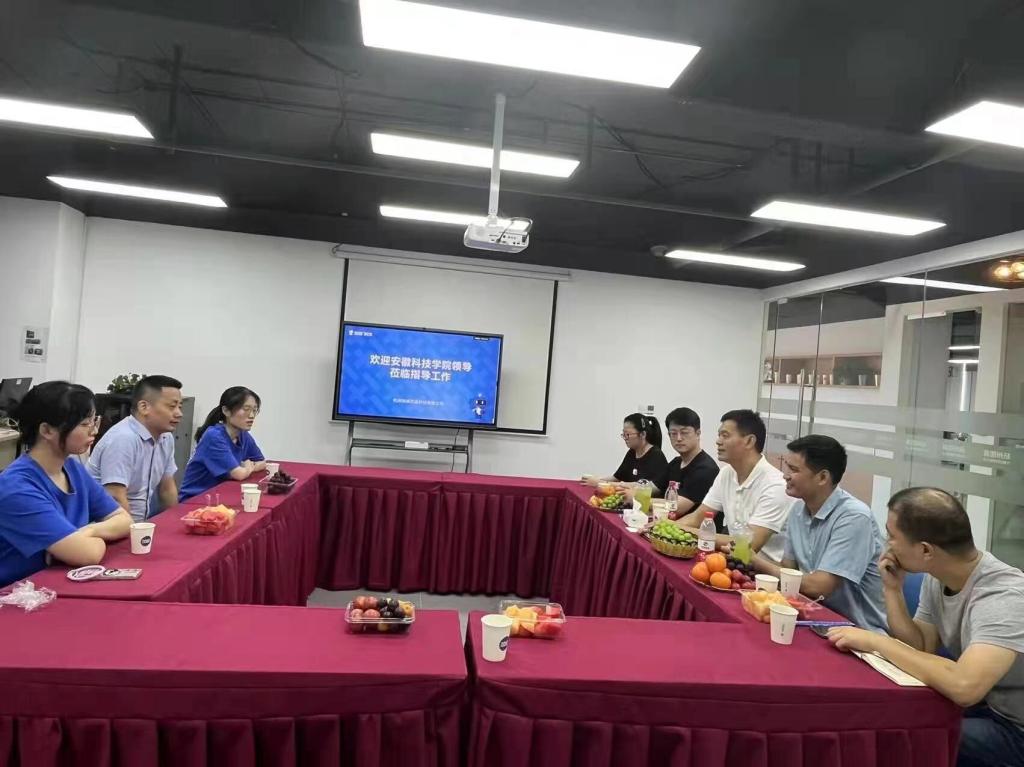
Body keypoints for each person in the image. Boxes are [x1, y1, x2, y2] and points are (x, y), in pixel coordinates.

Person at [829, 488, 1024, 767]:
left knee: (906, 736)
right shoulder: (939, 576)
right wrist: (892, 590)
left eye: (892, 536)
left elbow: (965, 686)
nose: (887, 545)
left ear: (925, 550)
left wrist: (877, 641)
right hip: (987, 707)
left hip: (1015, 728)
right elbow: (920, 646)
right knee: (880, 717)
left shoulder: (1004, 597)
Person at [0, 381, 131, 587]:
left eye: (94, 421)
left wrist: (87, 532)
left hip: (58, 583)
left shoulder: (72, 468)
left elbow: (124, 520)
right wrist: (88, 539)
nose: (93, 431)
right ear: (47, 430)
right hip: (18, 594)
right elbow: (86, 554)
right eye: (84, 424)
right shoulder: (16, 488)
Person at [750, 435, 886, 632]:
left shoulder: (854, 517)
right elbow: (788, 569)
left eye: (794, 470)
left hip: (856, 631)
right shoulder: (798, 510)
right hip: (811, 619)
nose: (785, 476)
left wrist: (756, 561)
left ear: (822, 477)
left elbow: (819, 587)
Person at [672, 409, 792, 561]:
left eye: (725, 435)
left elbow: (747, 545)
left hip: (760, 570)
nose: (718, 441)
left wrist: (682, 529)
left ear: (749, 441)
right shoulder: (727, 473)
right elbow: (697, 518)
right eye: (719, 435)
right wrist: (663, 528)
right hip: (730, 560)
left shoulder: (775, 486)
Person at [87, 375, 183, 522]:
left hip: (142, 525)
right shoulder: (123, 438)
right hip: (108, 526)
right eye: (171, 406)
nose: (179, 413)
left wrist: (174, 524)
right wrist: (134, 532)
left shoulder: (165, 438)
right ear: (144, 407)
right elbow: (116, 497)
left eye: (180, 407)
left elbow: (167, 489)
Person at [179, 386, 266, 502]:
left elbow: (262, 462)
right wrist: (247, 467)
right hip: (195, 499)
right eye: (246, 409)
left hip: (220, 496)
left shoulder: (243, 435)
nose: (251, 415)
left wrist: (248, 467)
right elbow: (239, 474)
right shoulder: (214, 436)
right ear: (226, 411)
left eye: (254, 410)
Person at [582, 413, 669, 491]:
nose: (625, 438)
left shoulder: (656, 456)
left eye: (628, 434)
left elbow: (641, 486)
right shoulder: (632, 452)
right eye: (623, 434)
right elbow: (617, 477)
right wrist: (596, 480)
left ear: (643, 434)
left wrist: (601, 483)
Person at [662, 407, 719, 514]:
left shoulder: (706, 468)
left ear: (698, 433)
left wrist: (640, 499)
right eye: (673, 433)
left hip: (696, 524)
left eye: (684, 432)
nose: (679, 438)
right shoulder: (675, 463)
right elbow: (655, 487)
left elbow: (675, 508)